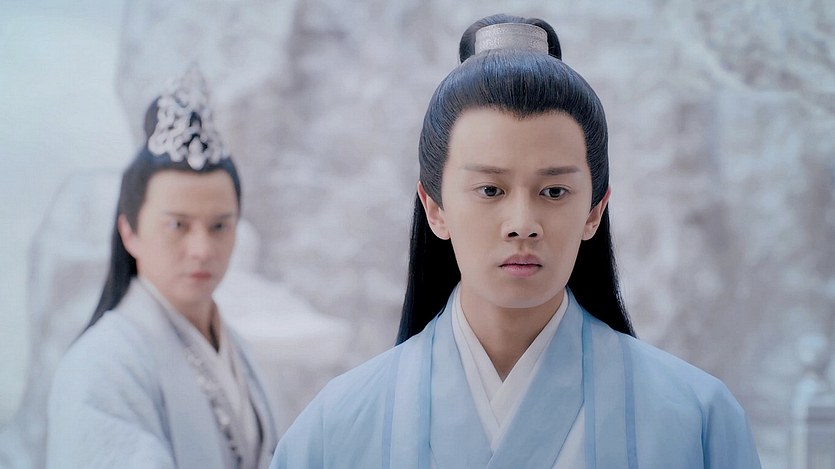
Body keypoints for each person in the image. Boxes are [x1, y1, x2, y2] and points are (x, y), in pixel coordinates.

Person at [270, 13, 761, 469]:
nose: (522, 224)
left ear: (595, 210)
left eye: (554, 191)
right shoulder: (336, 426)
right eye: (490, 190)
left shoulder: (697, 419)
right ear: (435, 208)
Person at [47, 67, 280, 469]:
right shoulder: (101, 364)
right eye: (177, 225)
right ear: (129, 231)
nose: (202, 249)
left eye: (219, 226)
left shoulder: (237, 348)